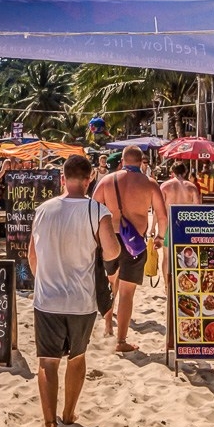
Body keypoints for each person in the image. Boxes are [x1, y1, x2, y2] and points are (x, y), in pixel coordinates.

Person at [26, 154, 120, 427]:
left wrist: (46, 280)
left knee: (47, 363)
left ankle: (50, 425)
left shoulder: (42, 210)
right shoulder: (97, 210)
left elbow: (31, 256)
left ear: (62, 179)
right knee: (77, 358)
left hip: (47, 299)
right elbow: (111, 251)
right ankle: (68, 413)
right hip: (80, 300)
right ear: (90, 179)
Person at [93, 144, 166, 354]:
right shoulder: (150, 183)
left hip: (109, 239)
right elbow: (162, 216)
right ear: (141, 161)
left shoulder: (107, 181)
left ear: (123, 160)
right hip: (134, 242)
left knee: (110, 284)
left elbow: (90, 210)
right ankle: (121, 340)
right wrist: (160, 237)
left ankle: (108, 325)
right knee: (126, 293)